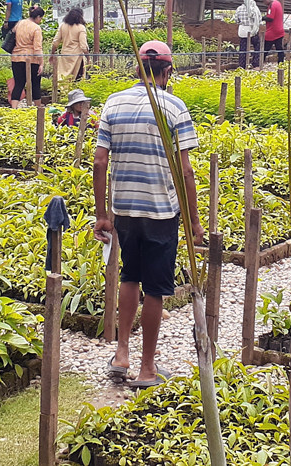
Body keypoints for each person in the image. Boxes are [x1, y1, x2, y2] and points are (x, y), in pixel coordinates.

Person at [94, 41, 203, 388]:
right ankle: (147, 368)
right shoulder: (173, 106)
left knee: (129, 276)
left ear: (138, 69)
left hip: (124, 208)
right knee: (155, 289)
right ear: (168, 72)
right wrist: (194, 220)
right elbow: (186, 172)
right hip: (160, 211)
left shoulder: (114, 102)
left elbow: (99, 160)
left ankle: (121, 353)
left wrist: (102, 214)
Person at [10, 5, 45, 108]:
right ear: (38, 17)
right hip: (32, 59)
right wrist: (41, 63)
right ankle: (39, 108)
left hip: (16, 57)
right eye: (41, 18)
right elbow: (37, 48)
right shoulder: (36, 28)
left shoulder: (19, 23)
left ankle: (14, 109)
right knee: (35, 84)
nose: (41, 20)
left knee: (19, 84)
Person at [50, 8, 90, 81]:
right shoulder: (81, 28)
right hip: (76, 57)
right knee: (76, 78)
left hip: (65, 55)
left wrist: (52, 54)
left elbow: (55, 42)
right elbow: (83, 46)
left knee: (63, 76)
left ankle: (62, 91)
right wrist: (88, 58)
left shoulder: (63, 26)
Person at [235, 0, 262, 69]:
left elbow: (236, 20)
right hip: (252, 30)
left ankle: (242, 65)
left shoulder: (239, 9)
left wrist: (243, 22)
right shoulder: (255, 9)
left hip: (243, 30)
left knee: (243, 48)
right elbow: (259, 19)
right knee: (257, 46)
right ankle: (256, 63)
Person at [260, 0, 285, 64]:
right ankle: (281, 63)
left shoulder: (272, 5)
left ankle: (260, 63)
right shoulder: (277, 3)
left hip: (272, 31)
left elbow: (270, 18)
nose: (263, 3)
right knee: (279, 48)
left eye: (263, 1)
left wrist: (262, 18)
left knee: (265, 48)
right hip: (279, 30)